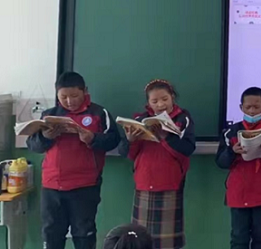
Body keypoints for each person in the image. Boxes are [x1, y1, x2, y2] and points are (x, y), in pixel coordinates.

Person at [27, 71, 120, 249]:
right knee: (52, 234)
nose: (69, 101)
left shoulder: (99, 113)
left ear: (85, 91)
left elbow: (114, 140)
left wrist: (92, 138)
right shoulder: (49, 115)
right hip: (52, 186)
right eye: (63, 97)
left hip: (84, 185)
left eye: (74, 96)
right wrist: (46, 137)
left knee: (83, 234)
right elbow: (34, 146)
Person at [118, 79, 196, 249]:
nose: (160, 104)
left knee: (167, 243)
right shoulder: (141, 119)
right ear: (148, 103)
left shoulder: (183, 118)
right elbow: (127, 154)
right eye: (154, 101)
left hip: (170, 183)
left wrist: (165, 137)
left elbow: (188, 149)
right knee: (141, 241)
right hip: (144, 182)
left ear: (172, 97)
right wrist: (130, 140)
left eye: (164, 99)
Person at [216, 87, 261, 249]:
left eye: (256, 107)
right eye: (248, 107)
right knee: (239, 238)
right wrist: (232, 151)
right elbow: (220, 162)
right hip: (238, 193)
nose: (251, 111)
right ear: (241, 107)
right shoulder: (231, 132)